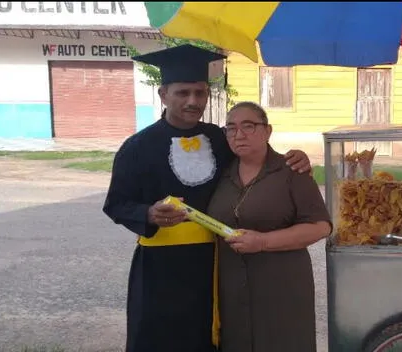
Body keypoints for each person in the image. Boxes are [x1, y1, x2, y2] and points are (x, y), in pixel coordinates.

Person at [102, 45, 312, 352]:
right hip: (160, 269)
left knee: (209, 337)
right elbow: (116, 204)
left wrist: (296, 157)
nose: (193, 101)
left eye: (200, 93)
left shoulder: (219, 138)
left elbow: (258, 159)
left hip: (215, 262)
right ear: (163, 95)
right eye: (183, 93)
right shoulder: (136, 147)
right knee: (158, 339)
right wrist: (148, 213)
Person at [206, 101, 332, 352]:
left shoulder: (291, 170)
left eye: (248, 126)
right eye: (230, 128)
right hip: (230, 289)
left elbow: (321, 227)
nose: (238, 134)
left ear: (267, 131)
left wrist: (263, 242)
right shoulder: (219, 173)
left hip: (281, 288)